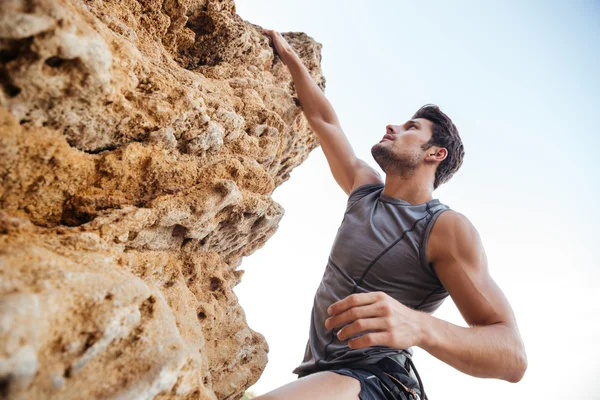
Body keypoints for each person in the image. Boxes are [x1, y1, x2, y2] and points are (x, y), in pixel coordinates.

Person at [257, 29, 527, 400]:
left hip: (381, 382)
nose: (392, 127)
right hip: (320, 373)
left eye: (411, 128)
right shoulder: (363, 189)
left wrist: (418, 326)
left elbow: (512, 356)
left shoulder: (445, 229)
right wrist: (289, 56)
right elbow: (325, 120)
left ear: (435, 154)